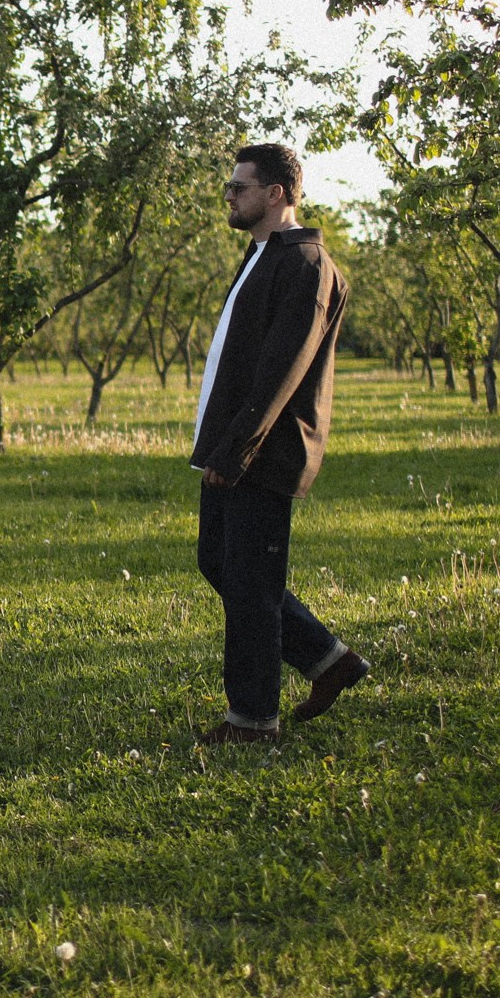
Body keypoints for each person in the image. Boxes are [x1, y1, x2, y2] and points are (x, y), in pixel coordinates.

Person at [189, 144, 367, 745]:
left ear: (276, 194)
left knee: (250, 585)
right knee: (220, 563)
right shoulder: (262, 256)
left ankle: (254, 720)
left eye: (239, 187)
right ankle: (327, 659)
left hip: (264, 454)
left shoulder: (307, 265)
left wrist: (237, 451)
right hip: (233, 448)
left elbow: (281, 371)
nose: (230, 196)